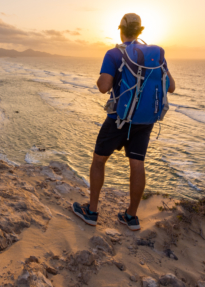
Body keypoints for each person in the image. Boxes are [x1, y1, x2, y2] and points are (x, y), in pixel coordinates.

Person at [72, 13, 176, 231]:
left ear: (120, 29)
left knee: (99, 160)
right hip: (144, 121)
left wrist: (103, 77)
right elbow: (171, 86)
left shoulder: (113, 54)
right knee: (137, 164)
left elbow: (103, 87)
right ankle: (131, 217)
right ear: (141, 31)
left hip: (118, 120)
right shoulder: (155, 56)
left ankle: (91, 212)